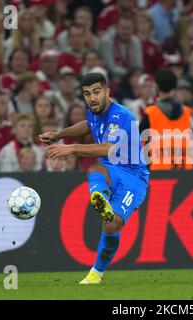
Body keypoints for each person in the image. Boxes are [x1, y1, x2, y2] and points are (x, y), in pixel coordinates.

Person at [40, 72, 149, 285]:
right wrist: (60, 133)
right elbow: (88, 124)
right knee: (96, 169)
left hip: (134, 177)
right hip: (111, 169)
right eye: (87, 94)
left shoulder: (121, 115)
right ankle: (100, 197)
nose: (92, 98)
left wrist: (69, 148)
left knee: (112, 225)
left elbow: (107, 148)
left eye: (96, 92)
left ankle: (96, 272)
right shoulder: (94, 112)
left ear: (107, 92)